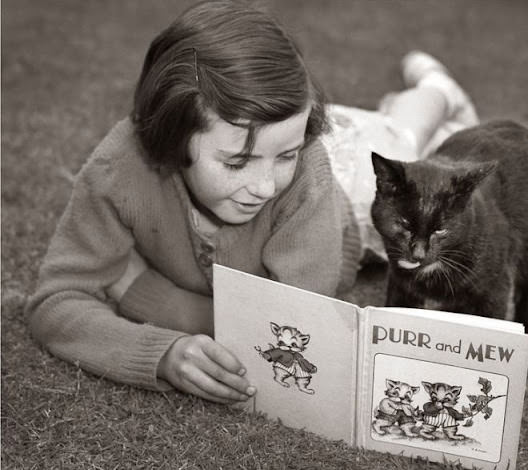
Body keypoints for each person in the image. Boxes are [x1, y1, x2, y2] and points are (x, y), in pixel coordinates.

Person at [27, 0, 477, 405]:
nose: (264, 186)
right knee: (359, 130)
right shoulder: (118, 169)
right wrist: (158, 354)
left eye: (285, 155)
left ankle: (437, 91)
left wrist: (147, 297)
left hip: (352, 186)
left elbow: (289, 329)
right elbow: (56, 301)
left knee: (400, 136)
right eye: (237, 162)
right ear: (171, 135)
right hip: (286, 133)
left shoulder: (304, 169)